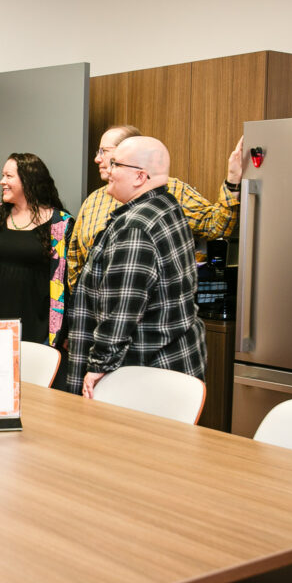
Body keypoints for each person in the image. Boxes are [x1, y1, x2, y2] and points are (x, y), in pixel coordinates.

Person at [65, 136, 206, 397]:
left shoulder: (135, 226)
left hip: (142, 373)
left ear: (140, 177)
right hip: (172, 361)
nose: (107, 169)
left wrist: (99, 365)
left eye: (116, 164)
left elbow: (122, 309)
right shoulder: (166, 205)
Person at [66, 125, 245, 288]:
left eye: (103, 151)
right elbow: (75, 258)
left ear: (127, 152)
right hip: (98, 316)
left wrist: (232, 181)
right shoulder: (93, 201)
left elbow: (215, 226)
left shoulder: (171, 190)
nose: (97, 159)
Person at [0, 153, 73, 346]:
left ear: (28, 179)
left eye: (8, 176)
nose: (1, 182)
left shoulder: (60, 224)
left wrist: (64, 330)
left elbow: (66, 281)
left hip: (36, 326)